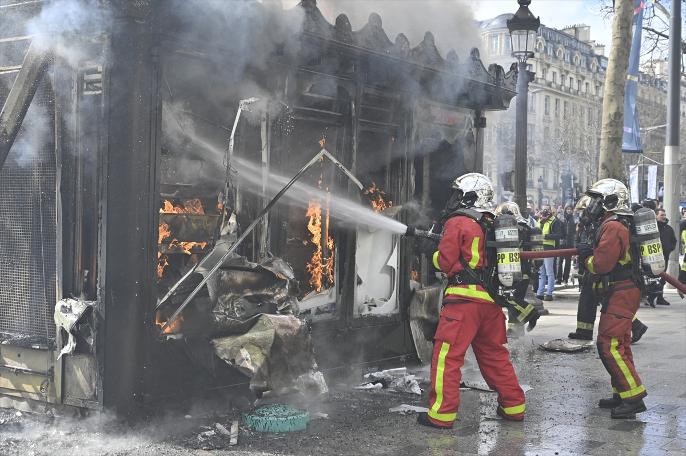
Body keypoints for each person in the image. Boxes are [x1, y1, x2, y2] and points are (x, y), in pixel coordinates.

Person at [417, 173, 526, 429]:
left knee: (447, 357)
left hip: (463, 303)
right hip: (490, 303)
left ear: (470, 196)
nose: (454, 199)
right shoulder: (492, 222)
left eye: (459, 194)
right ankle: (514, 407)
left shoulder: (458, 221)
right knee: (495, 356)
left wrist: (431, 255)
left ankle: (441, 415)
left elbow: (445, 262)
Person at [576, 179, 647, 419]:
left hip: (622, 290)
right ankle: (622, 392)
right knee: (621, 344)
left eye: (597, 200)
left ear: (610, 201)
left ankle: (633, 397)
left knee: (609, 344)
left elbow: (601, 264)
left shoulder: (613, 226)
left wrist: (587, 257)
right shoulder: (616, 223)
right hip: (622, 290)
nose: (592, 205)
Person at [568, 196, 648, 344]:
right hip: (599, 269)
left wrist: (587, 257)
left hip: (606, 271)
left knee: (604, 300)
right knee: (595, 298)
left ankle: (635, 325)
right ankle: (584, 331)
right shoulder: (598, 223)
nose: (586, 213)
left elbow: (603, 257)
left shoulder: (612, 225)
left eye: (586, 210)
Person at [646, 208, 677, 306]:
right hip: (653, 258)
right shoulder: (652, 228)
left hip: (665, 257)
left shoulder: (668, 228)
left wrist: (669, 249)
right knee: (653, 279)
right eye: (661, 215)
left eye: (664, 215)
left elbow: (674, 241)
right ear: (656, 216)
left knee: (662, 279)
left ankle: (660, 298)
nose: (664, 217)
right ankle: (650, 297)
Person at [536, 205, 562, 301]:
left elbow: (558, 235)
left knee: (549, 272)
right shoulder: (539, 220)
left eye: (546, 211)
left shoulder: (555, 221)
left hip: (549, 248)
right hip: (539, 248)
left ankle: (549, 293)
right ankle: (540, 293)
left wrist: (545, 236)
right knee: (541, 272)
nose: (544, 214)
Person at [556, 205, 576, 285]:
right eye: (567, 209)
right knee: (560, 261)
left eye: (570, 209)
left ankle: (566, 279)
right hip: (562, 242)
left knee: (568, 262)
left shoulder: (573, 219)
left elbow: (574, 233)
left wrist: (574, 245)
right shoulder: (562, 218)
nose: (569, 210)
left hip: (570, 243)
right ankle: (559, 278)